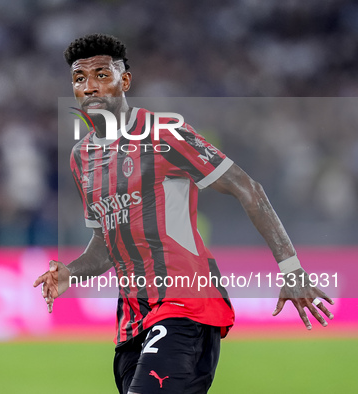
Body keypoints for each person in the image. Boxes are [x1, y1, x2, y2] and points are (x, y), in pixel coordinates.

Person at [33, 33, 334, 394]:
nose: (90, 87)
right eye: (80, 79)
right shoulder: (80, 157)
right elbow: (105, 242)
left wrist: (291, 269)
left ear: (124, 80)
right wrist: (72, 273)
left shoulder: (164, 132)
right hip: (131, 319)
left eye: (101, 74)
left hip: (185, 304)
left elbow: (247, 188)